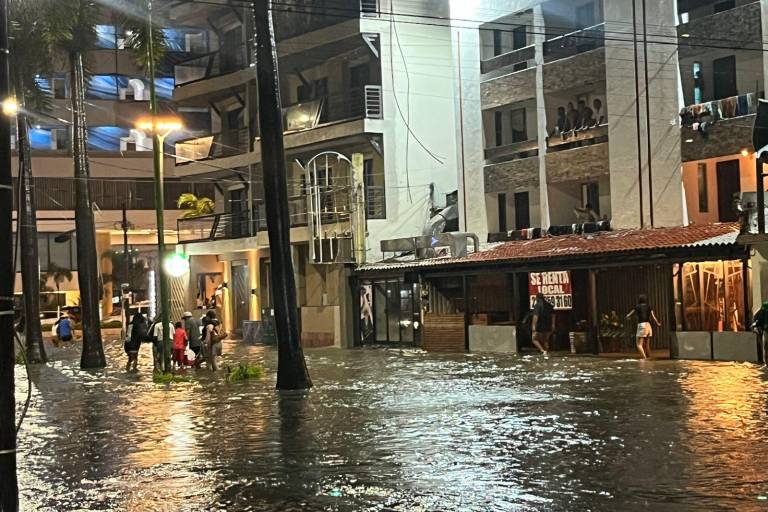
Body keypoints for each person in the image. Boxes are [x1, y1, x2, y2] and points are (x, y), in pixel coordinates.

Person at [626, 294, 661, 359]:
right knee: (647, 345)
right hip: (648, 326)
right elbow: (653, 317)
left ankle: (645, 359)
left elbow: (629, 314)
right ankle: (649, 358)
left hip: (642, 325)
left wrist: (627, 317)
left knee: (639, 344)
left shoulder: (637, 307)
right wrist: (658, 323)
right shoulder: (649, 306)